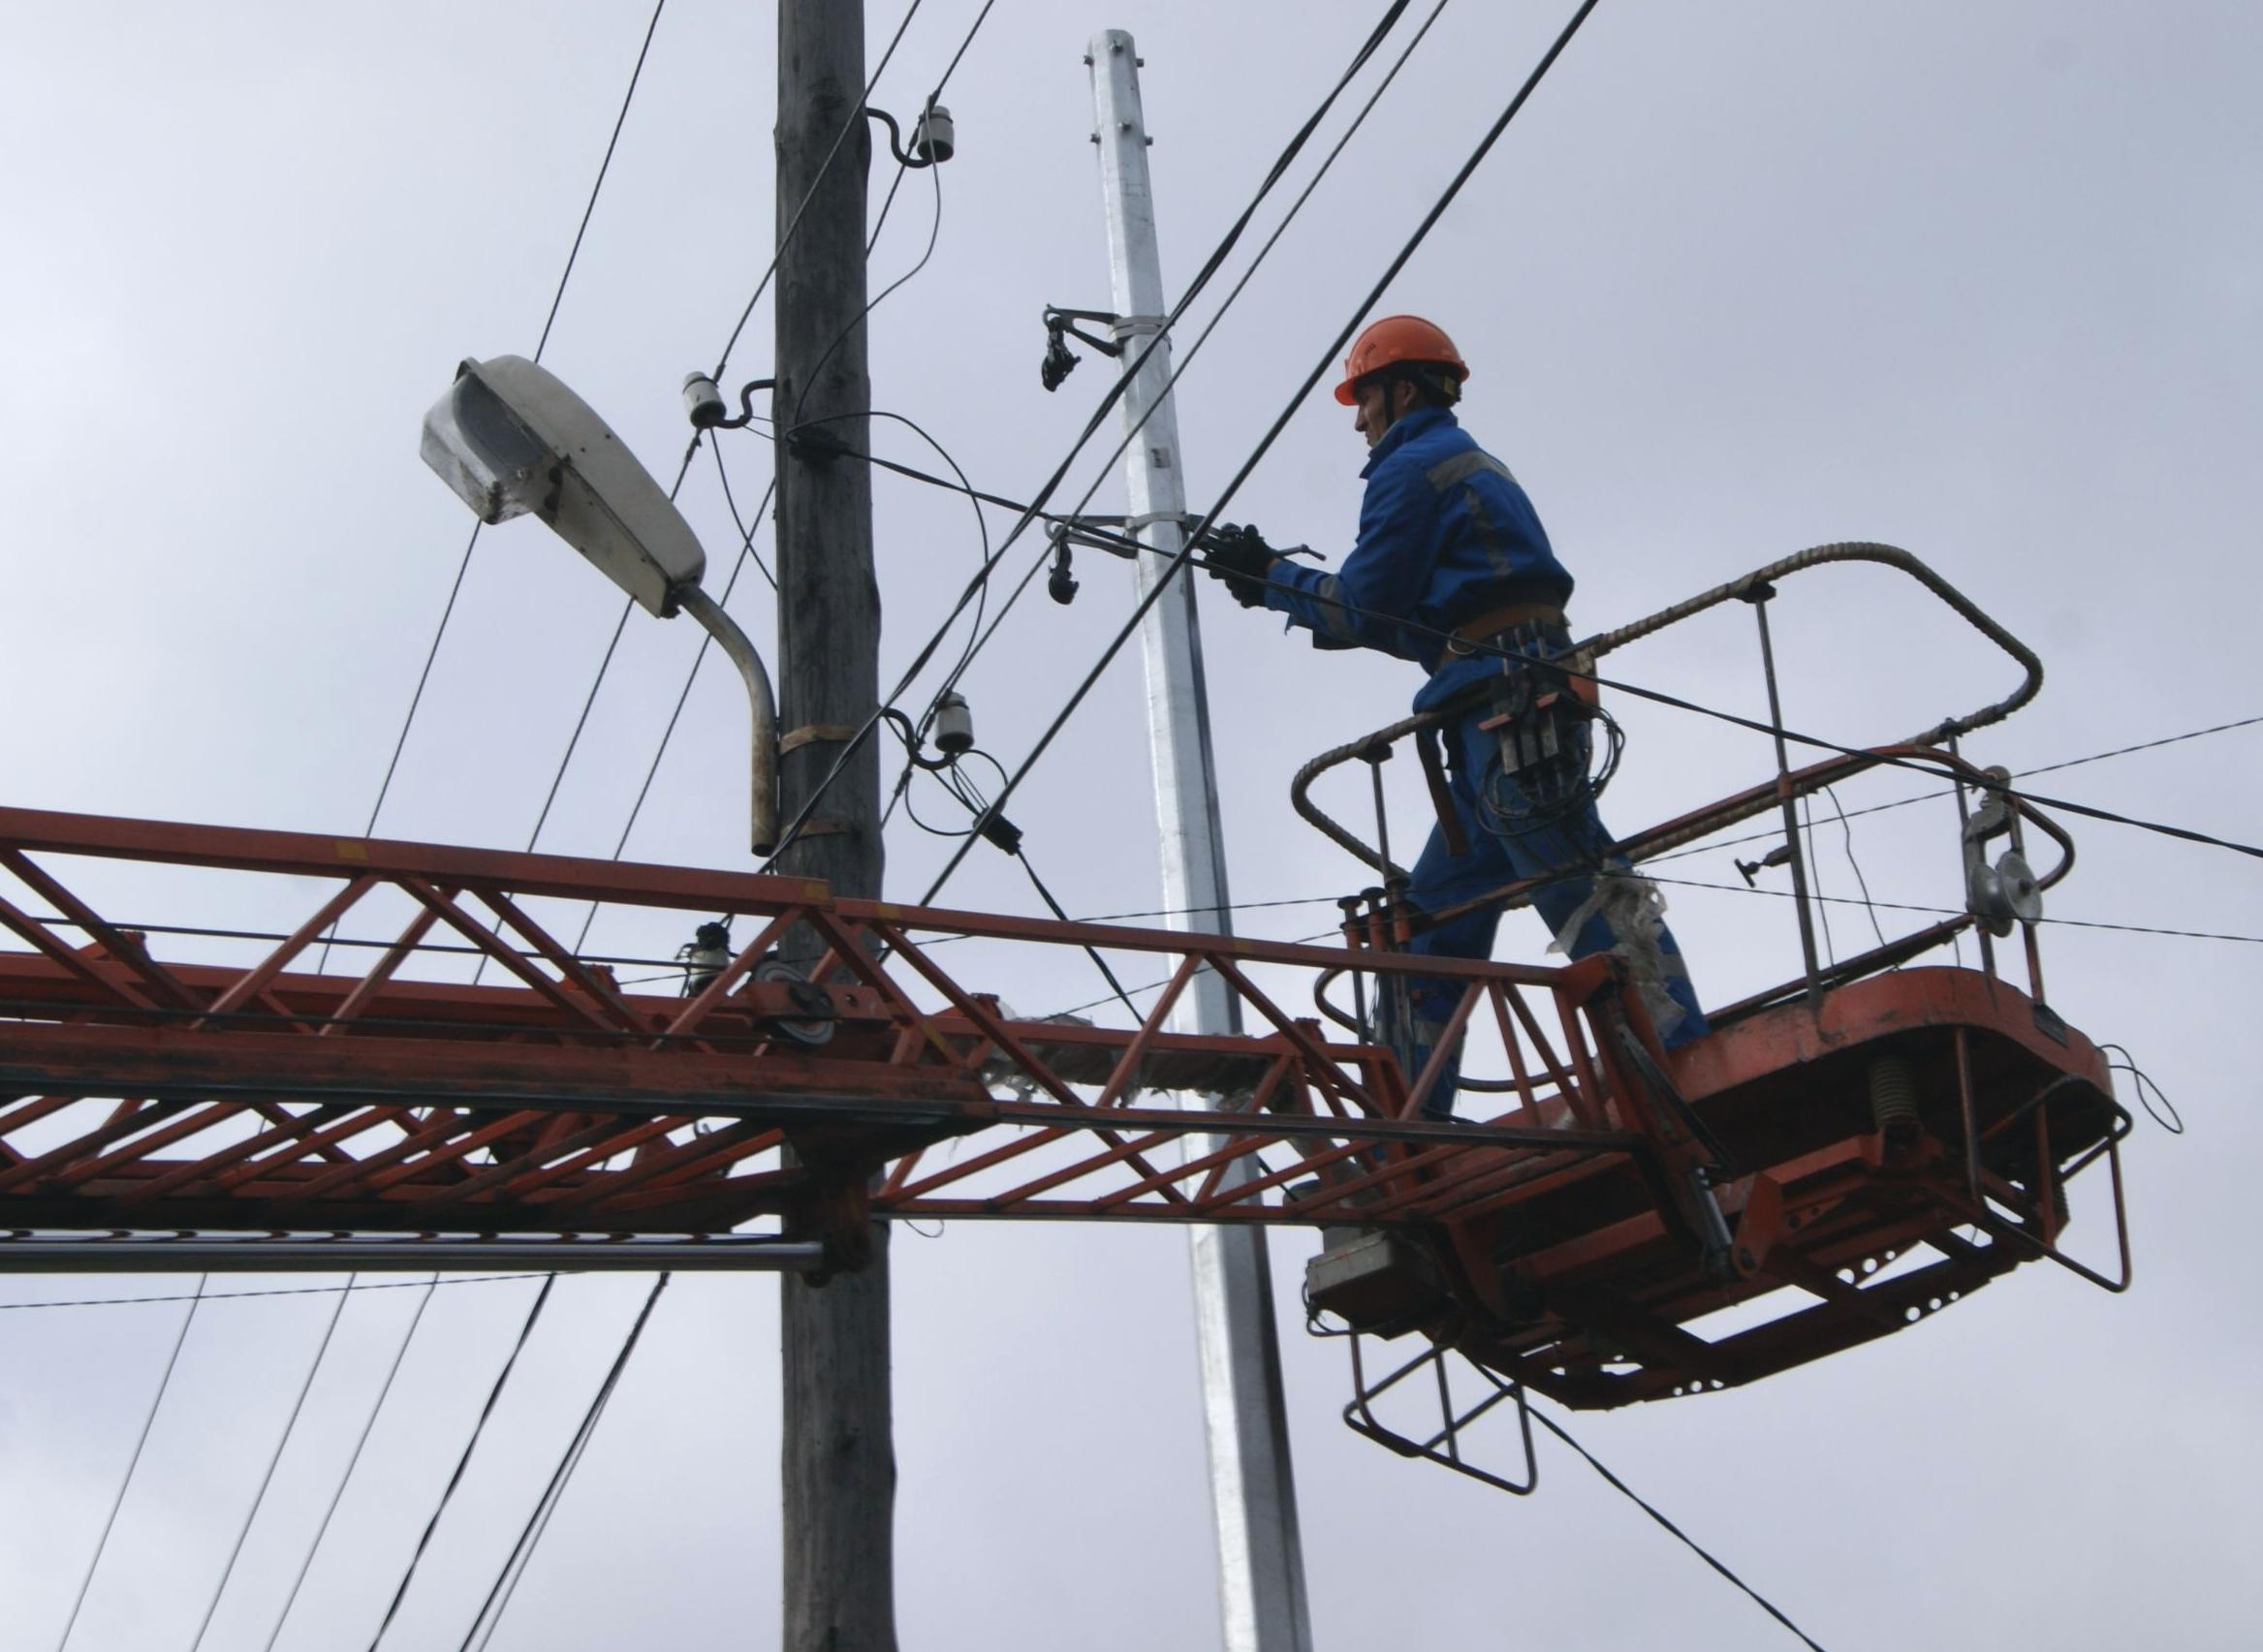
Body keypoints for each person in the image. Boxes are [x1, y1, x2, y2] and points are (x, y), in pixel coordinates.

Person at [1199, 315, 1707, 1117]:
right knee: (1430, 926)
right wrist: (1277, 583)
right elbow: (1414, 624)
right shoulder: (1462, 463)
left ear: (1399, 390)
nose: (1357, 420)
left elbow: (1369, 607)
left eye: (1362, 400)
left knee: (1570, 877)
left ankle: (1683, 1055)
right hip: (1494, 696)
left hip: (1506, 701)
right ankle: (1408, 1129)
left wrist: (1273, 580)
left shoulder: (1410, 469)